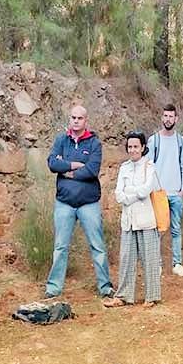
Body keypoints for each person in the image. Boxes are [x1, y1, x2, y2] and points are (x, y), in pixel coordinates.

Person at [45, 105, 113, 299]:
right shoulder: (61, 140)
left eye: (79, 118)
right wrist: (74, 165)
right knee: (60, 247)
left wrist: (66, 171)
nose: (76, 121)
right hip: (64, 203)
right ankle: (53, 288)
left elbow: (92, 169)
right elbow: (52, 164)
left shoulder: (94, 144)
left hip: (88, 203)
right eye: (73, 117)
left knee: (97, 246)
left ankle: (105, 287)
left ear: (86, 121)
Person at [103, 132, 163, 308]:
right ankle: (123, 296)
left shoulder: (150, 166)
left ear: (143, 147)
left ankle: (151, 296)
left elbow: (146, 190)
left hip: (146, 219)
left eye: (136, 146)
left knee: (149, 258)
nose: (133, 150)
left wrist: (130, 192)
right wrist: (132, 194)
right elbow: (118, 194)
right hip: (128, 220)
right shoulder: (124, 168)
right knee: (126, 258)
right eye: (130, 146)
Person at [148, 104, 183, 277]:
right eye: (165, 116)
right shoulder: (154, 141)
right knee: (158, 229)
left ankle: (177, 263)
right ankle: (156, 264)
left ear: (176, 119)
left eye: (171, 116)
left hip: (176, 193)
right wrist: (152, 189)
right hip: (159, 193)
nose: (168, 119)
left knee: (176, 228)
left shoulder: (181, 142)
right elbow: (148, 166)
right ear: (161, 117)